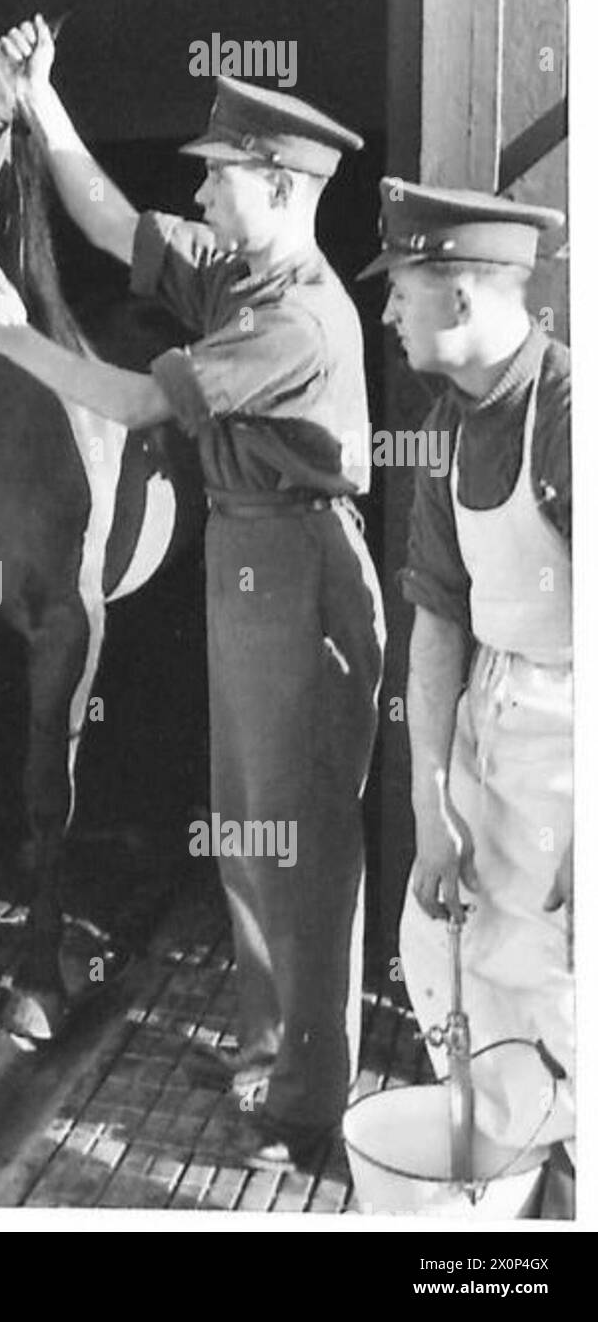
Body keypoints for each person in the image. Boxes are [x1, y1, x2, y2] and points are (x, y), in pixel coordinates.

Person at [0, 17, 384, 1166]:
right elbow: (107, 221)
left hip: (297, 573)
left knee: (296, 839)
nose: (196, 199)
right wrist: (40, 97)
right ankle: (269, 1057)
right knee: (250, 829)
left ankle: (311, 1103)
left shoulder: (294, 313)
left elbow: (139, 404)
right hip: (249, 560)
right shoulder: (244, 271)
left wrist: (10, 343)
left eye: (214, 182)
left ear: (274, 186)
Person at [363, 180, 573, 1194]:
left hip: (572, 740)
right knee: (453, 956)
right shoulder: (447, 429)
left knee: (561, 1007)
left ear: (457, 298)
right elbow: (436, 625)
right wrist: (427, 806)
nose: (389, 312)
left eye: (401, 290)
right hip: (496, 718)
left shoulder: (568, 416)